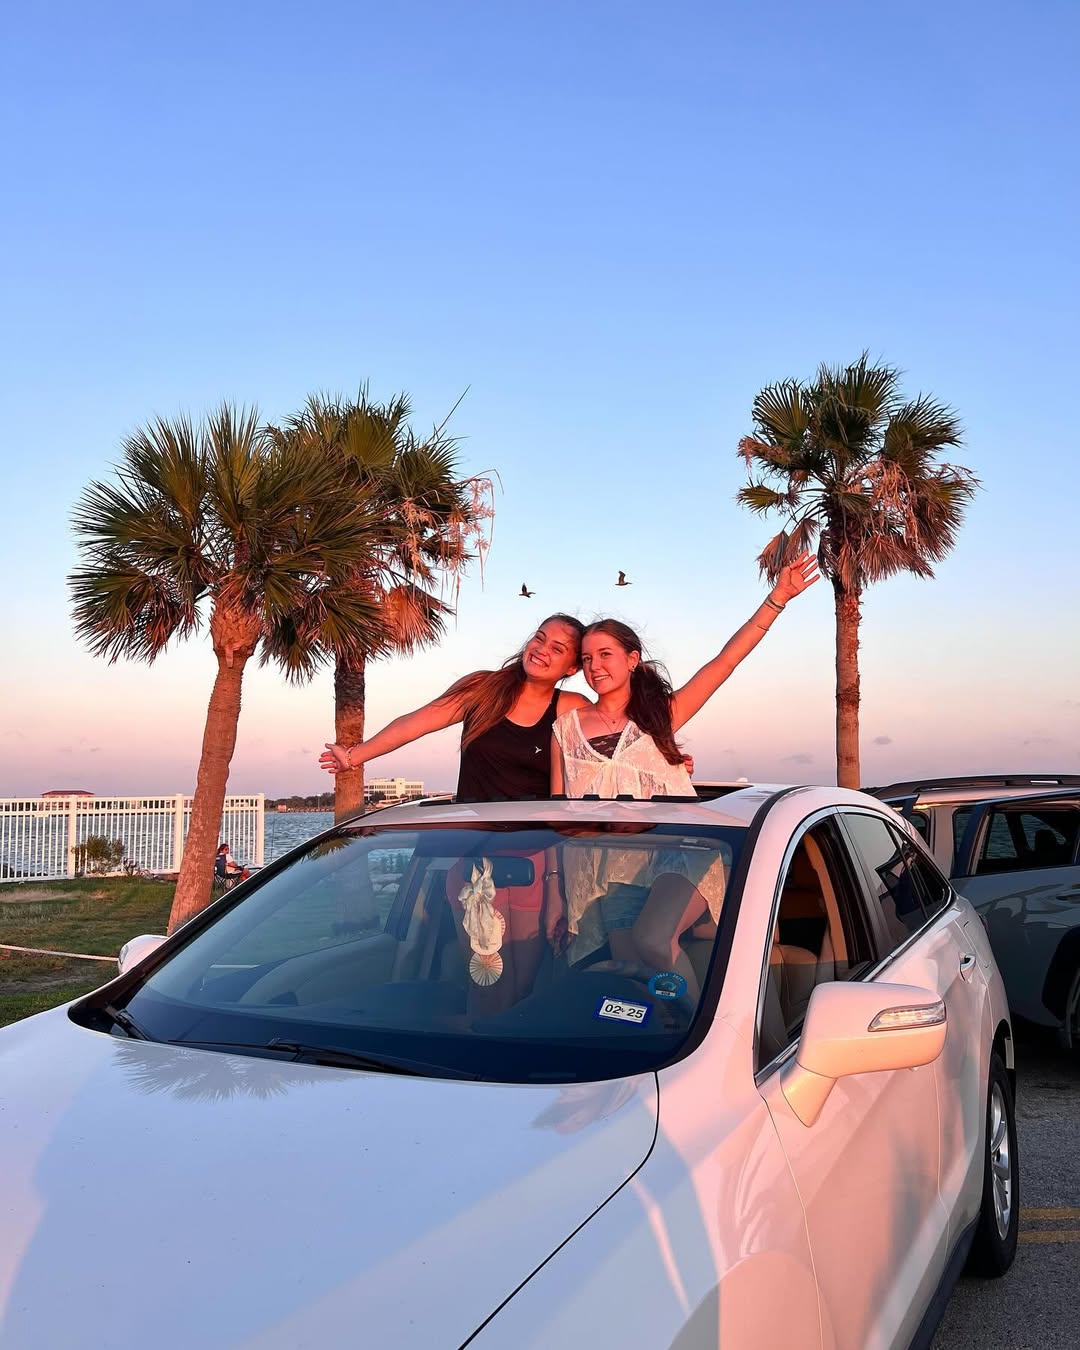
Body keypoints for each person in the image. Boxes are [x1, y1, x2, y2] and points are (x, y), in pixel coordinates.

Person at [549, 553, 819, 988]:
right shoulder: (566, 729)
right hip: (606, 871)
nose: (595, 666)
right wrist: (554, 893)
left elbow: (724, 663)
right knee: (634, 976)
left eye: (606, 654)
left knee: (654, 940)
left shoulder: (662, 716)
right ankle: (672, 1024)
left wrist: (777, 599)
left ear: (632, 659)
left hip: (675, 856)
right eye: (586, 658)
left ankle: (713, 1028)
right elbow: (557, 818)